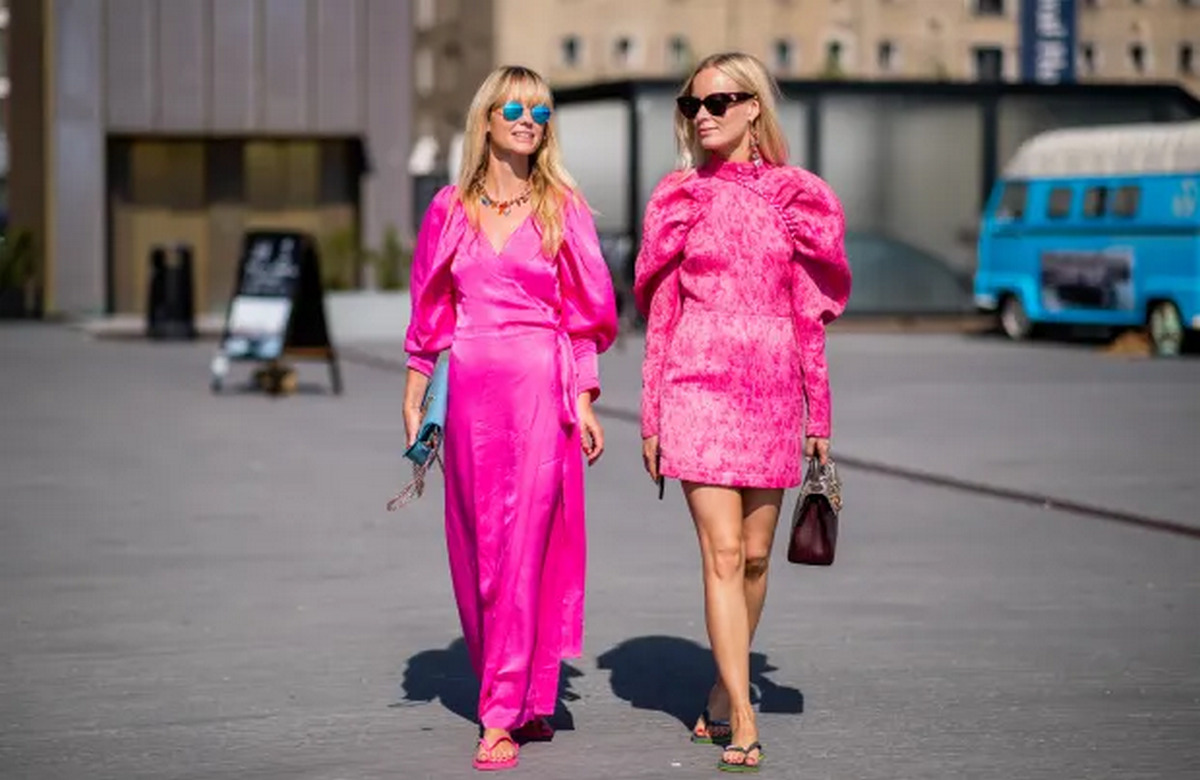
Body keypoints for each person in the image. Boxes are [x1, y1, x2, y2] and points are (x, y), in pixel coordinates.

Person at [634, 52, 852, 773]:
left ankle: (723, 692)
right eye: (692, 104)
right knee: (722, 555)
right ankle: (745, 716)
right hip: (696, 383)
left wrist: (819, 416)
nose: (703, 115)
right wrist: (652, 414)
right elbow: (661, 312)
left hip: (771, 386)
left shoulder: (798, 198)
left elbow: (809, 317)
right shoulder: (678, 197)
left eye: (720, 101)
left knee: (757, 559)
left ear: (754, 107)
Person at [403, 64, 618, 771]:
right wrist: (415, 389)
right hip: (467, 394)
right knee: (476, 553)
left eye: (542, 111)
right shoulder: (448, 208)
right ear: (488, 119)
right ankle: (521, 695)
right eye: (516, 108)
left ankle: (500, 713)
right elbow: (430, 313)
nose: (529, 119)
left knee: (526, 546)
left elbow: (585, 317)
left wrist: (585, 397)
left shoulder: (563, 205)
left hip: (539, 391)